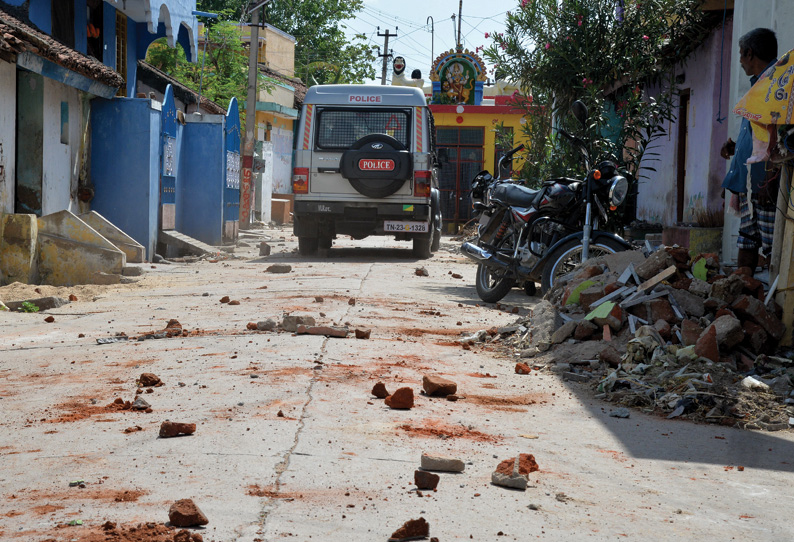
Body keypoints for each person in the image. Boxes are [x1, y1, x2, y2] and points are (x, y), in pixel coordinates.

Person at [721, 28, 780, 275]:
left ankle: (773, 308)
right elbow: (762, 132)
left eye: (740, 54)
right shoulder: (759, 85)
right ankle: (743, 300)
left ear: (749, 53)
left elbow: (783, 135)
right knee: (747, 241)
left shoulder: (778, 84)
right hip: (749, 183)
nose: (740, 60)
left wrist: (771, 174)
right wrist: (738, 147)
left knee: (773, 249)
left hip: (766, 183)